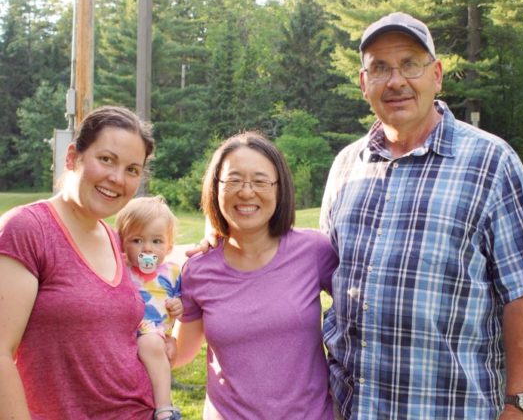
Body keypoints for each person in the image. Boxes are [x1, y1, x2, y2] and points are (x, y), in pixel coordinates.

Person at [320, 12, 523, 419]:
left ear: (437, 75)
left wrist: (521, 406)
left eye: (410, 64)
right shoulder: (345, 166)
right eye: (380, 68)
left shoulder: (491, 162)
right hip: (351, 408)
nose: (395, 81)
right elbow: (320, 272)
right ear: (363, 83)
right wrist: (224, 239)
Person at [0, 106, 159, 419]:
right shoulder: (27, 229)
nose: (117, 179)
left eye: (132, 169)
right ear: (73, 157)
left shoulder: (114, 238)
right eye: (106, 159)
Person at [173, 131, 338, 420]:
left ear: (279, 188)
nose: (246, 192)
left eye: (260, 181)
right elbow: (179, 353)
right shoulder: (198, 270)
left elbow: (363, 310)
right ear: (216, 187)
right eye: (234, 180)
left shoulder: (314, 251)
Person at [116, 196, 183, 420]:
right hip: (125, 330)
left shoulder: (173, 272)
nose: (147, 248)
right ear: (122, 243)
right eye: (136, 240)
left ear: (169, 245)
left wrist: (178, 306)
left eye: (156, 241)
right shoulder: (120, 268)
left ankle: (164, 407)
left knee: (152, 343)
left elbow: (182, 303)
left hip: (155, 334)